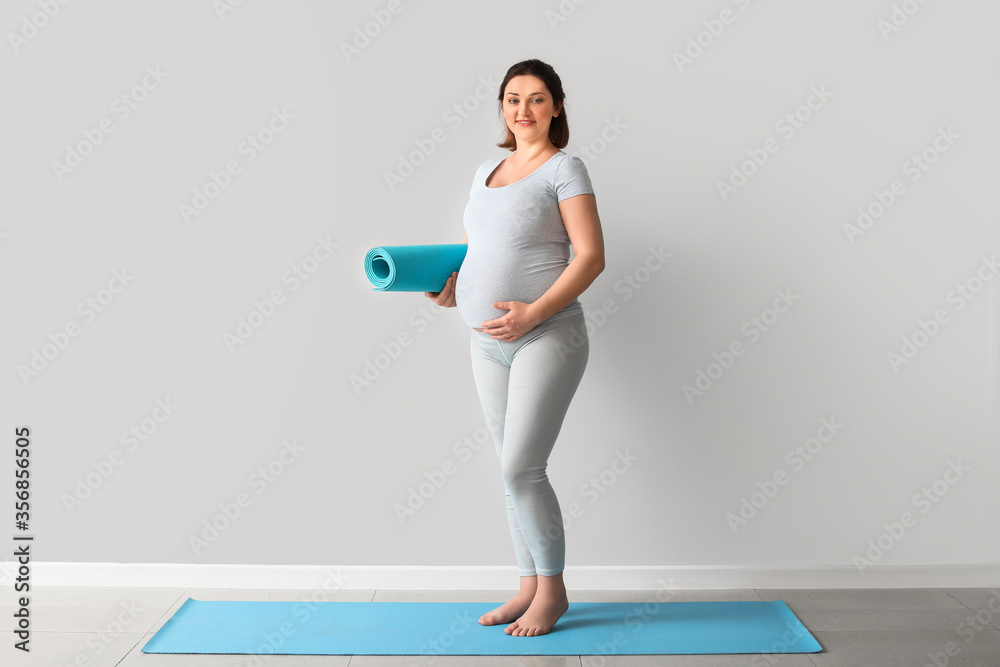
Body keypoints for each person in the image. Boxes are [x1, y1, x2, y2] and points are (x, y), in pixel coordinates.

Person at [425, 58, 605, 637]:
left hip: (549, 334)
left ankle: (552, 593)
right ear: (501, 108)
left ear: (556, 106)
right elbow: (476, 246)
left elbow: (591, 256)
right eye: (511, 99)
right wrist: (454, 288)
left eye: (535, 98)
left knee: (522, 467)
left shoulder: (565, 169)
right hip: (486, 343)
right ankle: (527, 586)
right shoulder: (487, 170)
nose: (522, 110)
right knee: (510, 471)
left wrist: (534, 311)